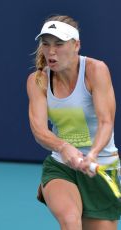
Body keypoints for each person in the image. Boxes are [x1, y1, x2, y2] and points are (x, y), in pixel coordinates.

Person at [27, 14, 121, 230]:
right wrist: (63, 147)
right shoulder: (37, 80)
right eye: (46, 44)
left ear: (76, 45)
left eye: (59, 44)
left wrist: (92, 154)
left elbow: (107, 121)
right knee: (70, 221)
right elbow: (39, 129)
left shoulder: (96, 70)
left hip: (101, 167)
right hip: (62, 165)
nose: (51, 51)